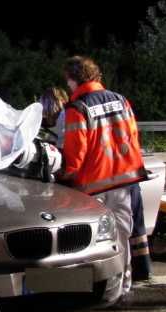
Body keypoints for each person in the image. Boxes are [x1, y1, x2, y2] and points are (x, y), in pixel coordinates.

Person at [58, 56, 148, 296]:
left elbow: (75, 156)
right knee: (122, 236)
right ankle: (121, 289)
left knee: (90, 242)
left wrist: (63, 176)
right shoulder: (121, 100)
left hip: (93, 186)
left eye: (68, 82)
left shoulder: (77, 108)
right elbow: (132, 137)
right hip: (124, 180)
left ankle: (87, 291)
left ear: (73, 79)